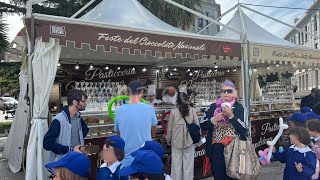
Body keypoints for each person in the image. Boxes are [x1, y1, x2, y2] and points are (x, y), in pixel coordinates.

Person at [201, 80, 248, 180]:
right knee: (219, 176)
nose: (226, 93)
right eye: (224, 91)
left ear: (234, 93)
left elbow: (244, 130)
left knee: (234, 177)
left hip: (235, 148)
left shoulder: (240, 108)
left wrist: (231, 116)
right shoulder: (212, 107)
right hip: (216, 149)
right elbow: (202, 125)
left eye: (229, 91)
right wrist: (214, 119)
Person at [114, 80, 158, 167]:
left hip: (126, 156)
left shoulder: (119, 110)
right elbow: (153, 128)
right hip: (144, 155)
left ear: (126, 92)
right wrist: (152, 137)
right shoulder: (149, 109)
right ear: (142, 92)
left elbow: (118, 133)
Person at [43, 90, 89, 163]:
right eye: (83, 101)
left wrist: (78, 146)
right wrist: (69, 149)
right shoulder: (59, 119)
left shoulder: (78, 116)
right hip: (63, 161)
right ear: (74, 102)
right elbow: (47, 143)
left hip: (77, 156)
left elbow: (85, 130)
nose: (85, 104)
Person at [166, 92, 198, 180]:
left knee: (176, 164)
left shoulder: (173, 112)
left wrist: (168, 139)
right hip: (190, 140)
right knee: (188, 164)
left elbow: (170, 129)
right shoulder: (192, 110)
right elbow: (197, 125)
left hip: (176, 141)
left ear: (177, 100)